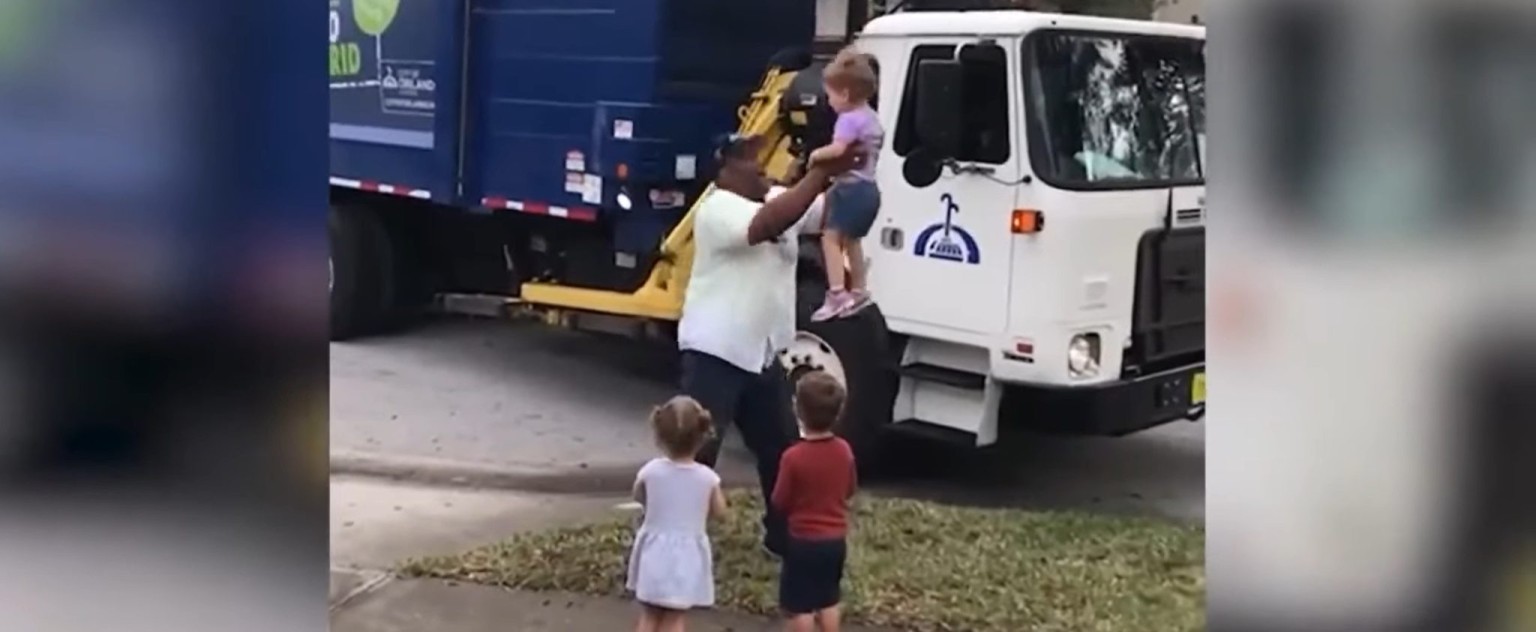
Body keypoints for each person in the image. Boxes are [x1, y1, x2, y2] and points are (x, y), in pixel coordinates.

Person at [678, 132, 861, 557]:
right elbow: (766, 225)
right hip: (715, 350)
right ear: (724, 170)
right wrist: (817, 174)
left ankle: (782, 538)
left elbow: (829, 212)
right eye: (746, 158)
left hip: (761, 352)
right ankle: (675, 539)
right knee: (698, 450)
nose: (760, 164)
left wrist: (853, 173)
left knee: (780, 450)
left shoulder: (778, 197)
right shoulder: (716, 208)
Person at [626, 396, 730, 632]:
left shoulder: (651, 471)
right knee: (674, 618)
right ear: (702, 437)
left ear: (659, 436)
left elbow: (638, 495)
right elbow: (720, 511)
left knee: (649, 614)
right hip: (687, 556)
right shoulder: (707, 478)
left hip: (653, 551)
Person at [772, 371, 857, 632]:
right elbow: (850, 488)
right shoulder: (844, 450)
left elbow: (779, 500)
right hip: (835, 541)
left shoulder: (793, 456)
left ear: (798, 410)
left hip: (803, 541)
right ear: (838, 413)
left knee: (800, 605)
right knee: (829, 599)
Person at [808, 48, 885, 321]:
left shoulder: (848, 120)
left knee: (830, 239)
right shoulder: (872, 117)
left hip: (850, 188)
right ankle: (860, 290)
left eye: (830, 95)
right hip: (870, 190)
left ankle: (837, 293)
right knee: (853, 241)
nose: (829, 102)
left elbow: (839, 150)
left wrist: (816, 155)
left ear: (844, 94)